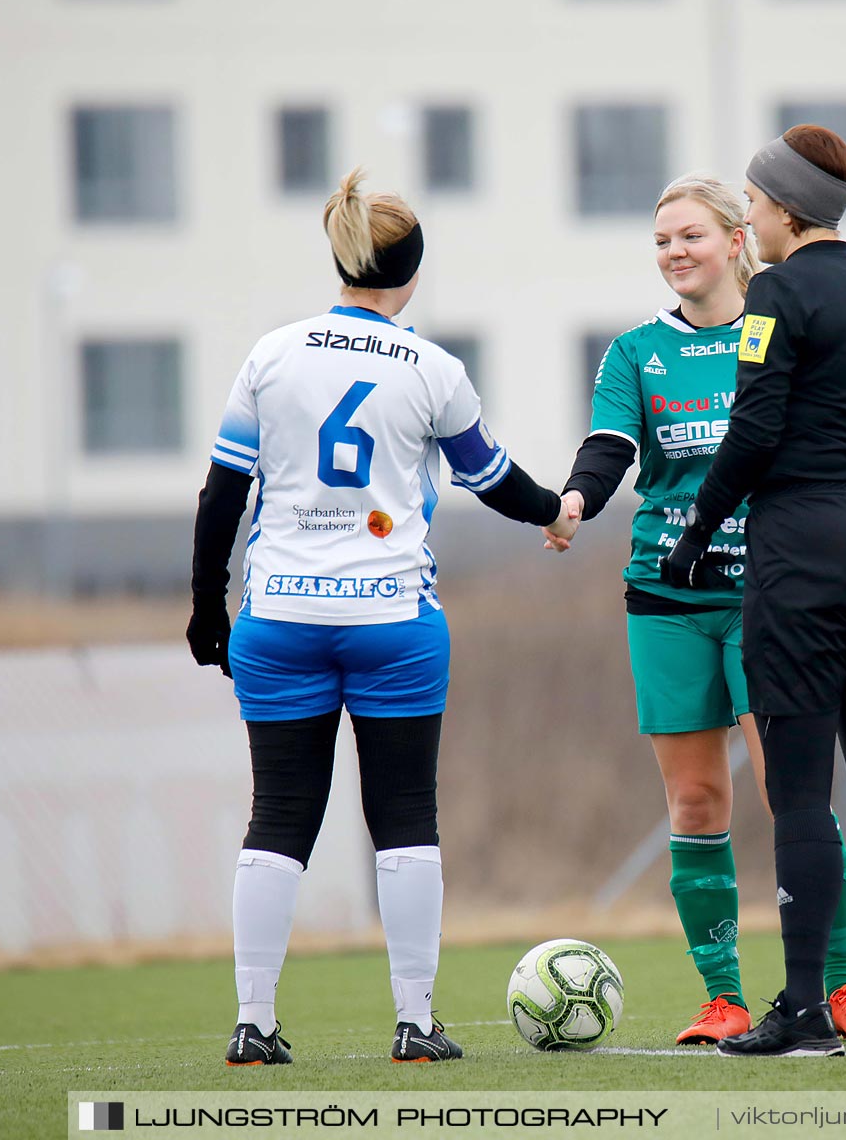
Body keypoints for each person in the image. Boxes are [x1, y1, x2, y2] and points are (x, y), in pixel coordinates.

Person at [187, 167, 578, 1066]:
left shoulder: (273, 354)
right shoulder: (433, 369)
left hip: (278, 617)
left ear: (340, 258)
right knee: (404, 814)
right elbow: (491, 479)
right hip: (394, 621)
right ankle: (414, 1022)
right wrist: (558, 512)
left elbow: (222, 491)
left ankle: (253, 1024)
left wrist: (209, 603)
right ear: (412, 272)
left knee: (279, 813)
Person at [544, 175, 846, 1046]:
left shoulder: (776, 336)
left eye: (690, 236)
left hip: (768, 596)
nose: (675, 254)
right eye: (662, 241)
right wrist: (579, 499)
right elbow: (611, 444)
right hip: (665, 597)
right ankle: (725, 996)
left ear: (739, 241)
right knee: (696, 802)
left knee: (791, 792)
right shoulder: (634, 353)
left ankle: (841, 986)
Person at [661, 127, 846, 1056]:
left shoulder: (777, 296)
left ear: (786, 212)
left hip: (804, 549)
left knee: (799, 790)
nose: (746, 220)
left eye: (751, 205)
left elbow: (752, 436)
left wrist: (700, 533)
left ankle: (798, 1009)